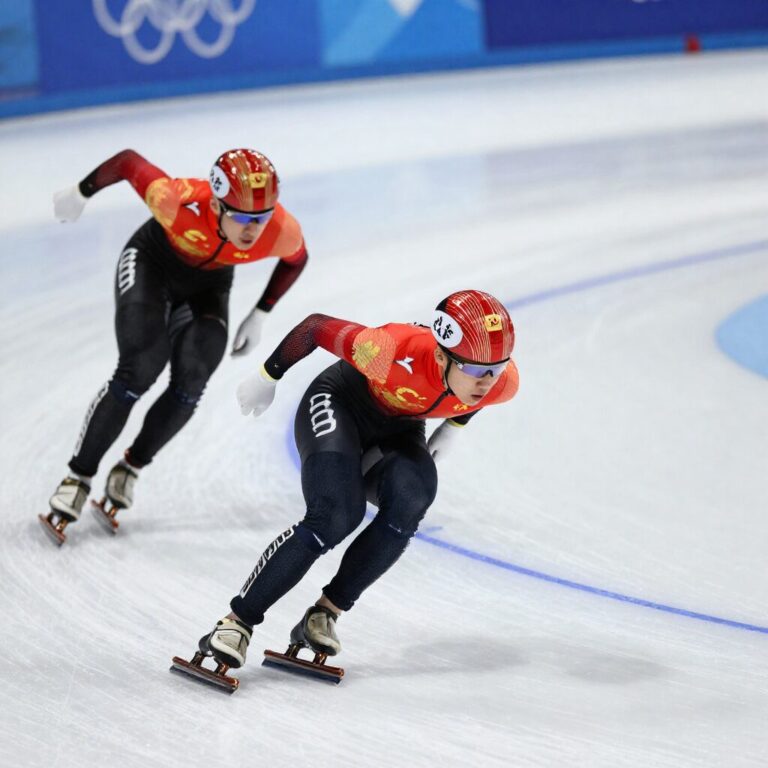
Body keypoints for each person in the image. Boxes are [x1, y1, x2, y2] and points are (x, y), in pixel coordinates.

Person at [192, 289, 519, 673]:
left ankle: (324, 614)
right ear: (441, 355)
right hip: (340, 403)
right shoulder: (389, 351)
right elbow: (314, 327)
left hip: (398, 429)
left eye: (495, 370)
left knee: (412, 501)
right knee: (335, 516)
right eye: (476, 371)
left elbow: (480, 389)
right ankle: (236, 623)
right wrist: (268, 375)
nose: (486, 382)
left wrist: (455, 425)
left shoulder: (502, 383)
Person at [43, 148, 308, 539]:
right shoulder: (175, 200)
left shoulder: (280, 229)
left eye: (261, 217)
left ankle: (131, 467)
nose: (252, 230)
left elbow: (296, 260)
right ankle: (77, 477)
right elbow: (128, 163)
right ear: (216, 203)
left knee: (192, 382)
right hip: (153, 264)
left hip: (209, 287)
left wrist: (262, 312)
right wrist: (80, 193)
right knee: (141, 366)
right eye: (242, 217)